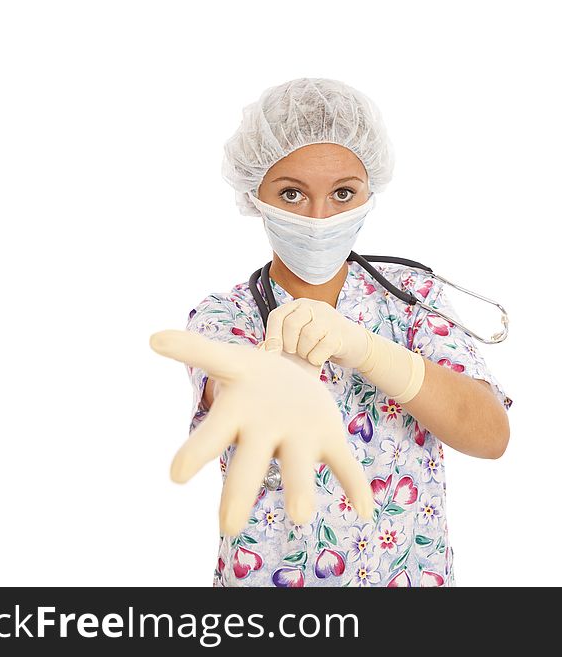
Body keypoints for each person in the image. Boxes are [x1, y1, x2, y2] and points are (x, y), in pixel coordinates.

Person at [183, 77, 512, 587]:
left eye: (343, 194)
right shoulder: (227, 316)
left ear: (369, 193)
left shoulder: (410, 296)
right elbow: (226, 382)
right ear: (256, 194)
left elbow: (491, 436)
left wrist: (373, 353)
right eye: (291, 193)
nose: (319, 218)